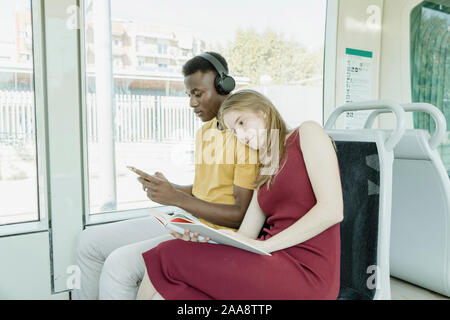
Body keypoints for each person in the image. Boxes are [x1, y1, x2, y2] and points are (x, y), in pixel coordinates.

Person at [72, 52, 259, 300]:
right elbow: (205, 189)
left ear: (223, 86)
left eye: (198, 94)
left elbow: (241, 216)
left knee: (119, 265)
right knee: (89, 242)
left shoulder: (245, 136)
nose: (191, 103)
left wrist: (176, 199)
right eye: (188, 95)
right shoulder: (205, 132)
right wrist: (170, 188)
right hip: (187, 217)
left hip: (212, 232)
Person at [136, 89, 343, 300]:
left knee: (165, 254)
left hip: (306, 272)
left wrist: (265, 246)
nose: (241, 136)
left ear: (262, 111)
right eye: (234, 131)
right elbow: (246, 236)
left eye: (242, 123)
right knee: (182, 289)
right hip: (270, 258)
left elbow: (332, 210)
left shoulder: (308, 132)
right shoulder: (266, 163)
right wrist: (202, 243)